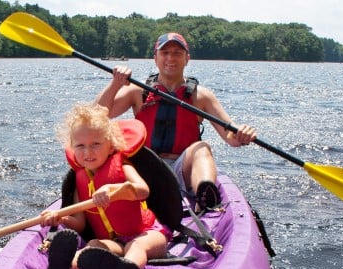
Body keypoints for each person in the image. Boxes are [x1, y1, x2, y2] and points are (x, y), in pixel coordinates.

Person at [95, 32, 258, 210]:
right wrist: (115, 84)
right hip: (145, 168)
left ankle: (205, 198)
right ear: (155, 58)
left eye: (177, 53)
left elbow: (229, 135)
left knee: (202, 147)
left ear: (187, 59)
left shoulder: (201, 96)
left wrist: (242, 134)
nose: (170, 58)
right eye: (165, 53)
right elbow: (96, 117)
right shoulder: (138, 90)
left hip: (182, 169)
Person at [40, 103, 170, 269]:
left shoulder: (123, 165)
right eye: (81, 146)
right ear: (72, 148)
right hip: (114, 243)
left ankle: (128, 268)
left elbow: (143, 190)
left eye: (95, 144)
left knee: (136, 246)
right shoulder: (79, 181)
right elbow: (79, 223)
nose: (88, 152)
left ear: (110, 146)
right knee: (93, 245)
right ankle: (63, 268)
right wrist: (61, 218)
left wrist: (112, 190)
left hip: (147, 234)